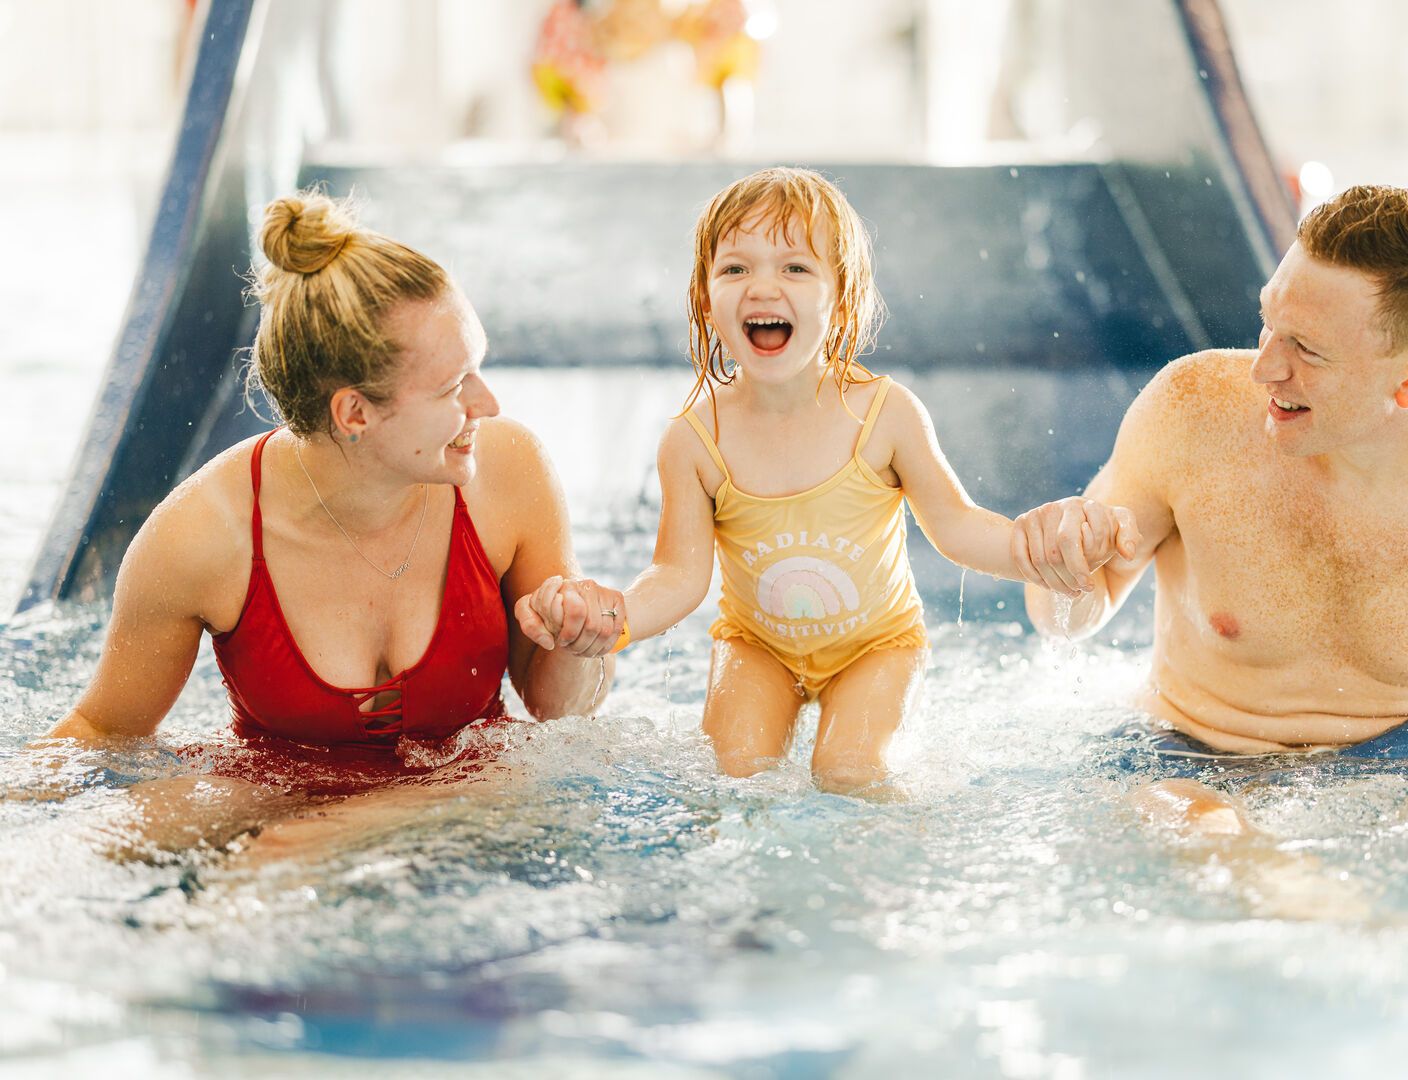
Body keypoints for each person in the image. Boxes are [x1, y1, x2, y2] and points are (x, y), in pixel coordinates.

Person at [1017, 183, 1408, 833]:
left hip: (1403, 768)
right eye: (1267, 321)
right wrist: (1063, 567)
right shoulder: (1190, 412)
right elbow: (1063, 620)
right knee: (1209, 828)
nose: (1264, 369)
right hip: (1178, 759)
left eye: (1305, 349)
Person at [33, 190, 620, 853]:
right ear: (354, 414)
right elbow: (104, 728)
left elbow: (559, 717)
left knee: (281, 853)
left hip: (473, 786)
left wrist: (577, 645)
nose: (488, 402)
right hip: (277, 785)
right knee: (107, 839)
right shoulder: (203, 536)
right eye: (455, 387)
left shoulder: (506, 472)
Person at [514, 166, 1102, 795]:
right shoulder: (694, 440)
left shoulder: (884, 414)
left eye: (795, 268)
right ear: (706, 300)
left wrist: (1033, 553)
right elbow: (680, 574)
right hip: (756, 646)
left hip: (878, 646)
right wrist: (617, 618)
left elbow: (955, 526)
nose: (762, 286)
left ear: (841, 298)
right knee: (733, 773)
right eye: (736, 269)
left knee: (849, 771)